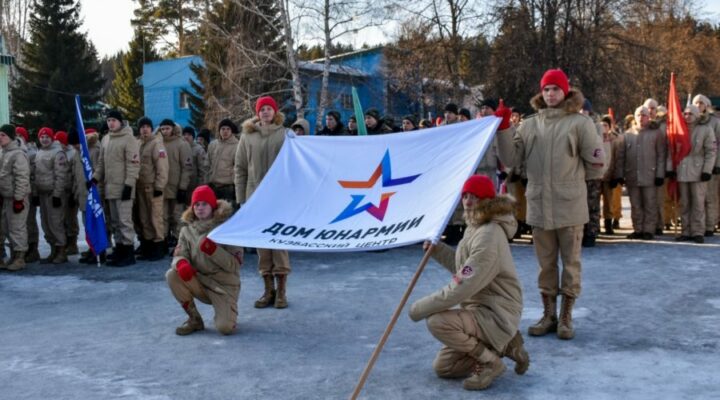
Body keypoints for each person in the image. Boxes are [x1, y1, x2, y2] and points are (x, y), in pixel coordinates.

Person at [496, 69, 605, 340]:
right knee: (545, 265)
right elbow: (511, 158)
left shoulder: (579, 124)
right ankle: (549, 315)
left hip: (570, 205)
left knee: (570, 264)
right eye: (546, 89)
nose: (551, 94)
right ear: (540, 93)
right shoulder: (529, 124)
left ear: (565, 92)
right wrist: (504, 128)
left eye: (556, 89)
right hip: (539, 206)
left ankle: (566, 317)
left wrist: (573, 184)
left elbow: (596, 164)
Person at [409, 175, 528, 391]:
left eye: (474, 196)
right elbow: (465, 270)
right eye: (465, 196)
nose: (468, 201)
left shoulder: (489, 234)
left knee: (438, 322)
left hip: (496, 312)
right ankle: (505, 346)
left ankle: (491, 362)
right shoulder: (476, 226)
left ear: (487, 201)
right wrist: (437, 251)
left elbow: (463, 285)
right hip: (478, 309)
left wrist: (419, 309)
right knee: (445, 368)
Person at [235, 96, 292, 309]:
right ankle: (268, 290)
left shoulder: (285, 135)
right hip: (255, 197)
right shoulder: (247, 137)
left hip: (279, 199)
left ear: (275, 111)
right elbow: (240, 168)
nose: (265, 112)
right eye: (262, 109)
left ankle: (282, 291)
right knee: (262, 245)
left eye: (269, 108)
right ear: (257, 113)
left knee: (279, 243)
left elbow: (294, 167)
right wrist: (242, 199)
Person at [166, 185, 243, 336]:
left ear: (213, 206)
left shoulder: (227, 228)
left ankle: (227, 311)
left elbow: (235, 266)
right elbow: (179, 254)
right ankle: (194, 319)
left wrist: (214, 250)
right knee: (172, 275)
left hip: (224, 286)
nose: (200, 208)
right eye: (197, 204)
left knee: (225, 328)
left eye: (204, 204)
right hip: (200, 281)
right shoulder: (186, 230)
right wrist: (181, 263)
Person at [93, 109, 141, 267]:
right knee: (114, 222)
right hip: (110, 188)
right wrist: (95, 178)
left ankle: (128, 252)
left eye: (114, 120)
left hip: (124, 188)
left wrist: (129, 184)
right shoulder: (106, 139)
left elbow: (133, 164)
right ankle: (119, 249)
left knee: (124, 221)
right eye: (108, 120)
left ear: (121, 122)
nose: (111, 123)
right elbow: (101, 163)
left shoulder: (129, 139)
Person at [667, 105, 717, 243]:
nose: (688, 116)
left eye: (691, 114)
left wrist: (707, 170)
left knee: (698, 203)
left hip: (698, 171)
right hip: (682, 171)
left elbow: (711, 152)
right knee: (684, 203)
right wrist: (670, 168)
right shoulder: (679, 131)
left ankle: (698, 231)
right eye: (686, 113)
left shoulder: (706, 130)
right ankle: (686, 231)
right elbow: (671, 152)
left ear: (697, 115)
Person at [613, 106, 665, 240]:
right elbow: (621, 156)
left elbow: (661, 155)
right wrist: (619, 174)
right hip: (632, 176)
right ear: (634, 117)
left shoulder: (656, 133)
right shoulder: (627, 134)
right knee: (635, 204)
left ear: (649, 117)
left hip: (650, 176)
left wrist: (660, 174)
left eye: (644, 115)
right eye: (638, 115)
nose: (641, 118)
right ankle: (638, 229)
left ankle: (649, 230)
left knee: (650, 204)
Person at [135, 117, 169, 261]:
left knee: (156, 218)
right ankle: (147, 246)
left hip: (153, 187)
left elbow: (162, 167)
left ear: (151, 128)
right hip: (140, 187)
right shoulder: (138, 144)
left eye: (147, 127)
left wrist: (159, 186)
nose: (144, 129)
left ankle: (158, 247)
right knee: (144, 218)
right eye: (142, 127)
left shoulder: (156, 144)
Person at [35, 127, 70, 264]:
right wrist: (35, 193)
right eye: (42, 137)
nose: (44, 139)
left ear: (52, 138)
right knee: (46, 224)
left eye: (47, 137)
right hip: (42, 193)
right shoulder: (39, 152)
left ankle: (61, 251)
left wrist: (57, 194)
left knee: (56, 223)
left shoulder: (58, 153)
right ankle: (53, 250)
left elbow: (61, 175)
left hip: (53, 194)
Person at [159, 119, 192, 253]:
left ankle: (181, 244)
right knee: (163, 217)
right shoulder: (158, 143)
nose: (165, 131)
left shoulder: (181, 144)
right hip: (162, 187)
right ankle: (164, 241)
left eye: (167, 128)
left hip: (177, 187)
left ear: (173, 128)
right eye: (163, 129)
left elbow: (187, 167)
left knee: (178, 217)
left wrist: (183, 187)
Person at [0, 124, 30, 271]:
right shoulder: (4, 152)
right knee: (5, 228)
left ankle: (19, 258)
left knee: (17, 227)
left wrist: (18, 199)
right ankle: (12, 256)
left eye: (3, 135)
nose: (0, 138)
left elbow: (22, 178)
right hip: (6, 198)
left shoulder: (18, 154)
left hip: (17, 198)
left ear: (11, 136)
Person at [692, 94, 720, 236]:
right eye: (696, 103)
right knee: (698, 198)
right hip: (695, 166)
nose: (698, 106)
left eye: (701, 103)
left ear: (707, 105)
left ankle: (710, 225)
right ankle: (699, 225)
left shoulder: (715, 121)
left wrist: (717, 164)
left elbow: (717, 145)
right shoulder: (693, 121)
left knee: (710, 197)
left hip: (711, 165)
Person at [54, 130, 80, 255]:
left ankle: (73, 243)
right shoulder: (58, 153)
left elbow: (74, 174)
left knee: (71, 218)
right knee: (61, 218)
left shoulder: (73, 153)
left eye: (60, 141)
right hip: (61, 190)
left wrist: (73, 192)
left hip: (70, 190)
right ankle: (65, 241)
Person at [207, 118, 239, 207]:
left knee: (226, 214)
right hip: (212, 186)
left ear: (232, 131)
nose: (225, 131)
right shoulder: (213, 145)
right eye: (223, 129)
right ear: (219, 130)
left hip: (227, 188)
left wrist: (236, 186)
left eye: (228, 129)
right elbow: (207, 164)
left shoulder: (237, 146)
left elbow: (238, 168)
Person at [182, 126, 209, 196]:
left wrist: (200, 187)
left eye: (189, 135)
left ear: (193, 137)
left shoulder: (199, 150)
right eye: (184, 135)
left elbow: (203, 171)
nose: (186, 137)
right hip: (181, 186)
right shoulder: (180, 148)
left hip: (194, 186)